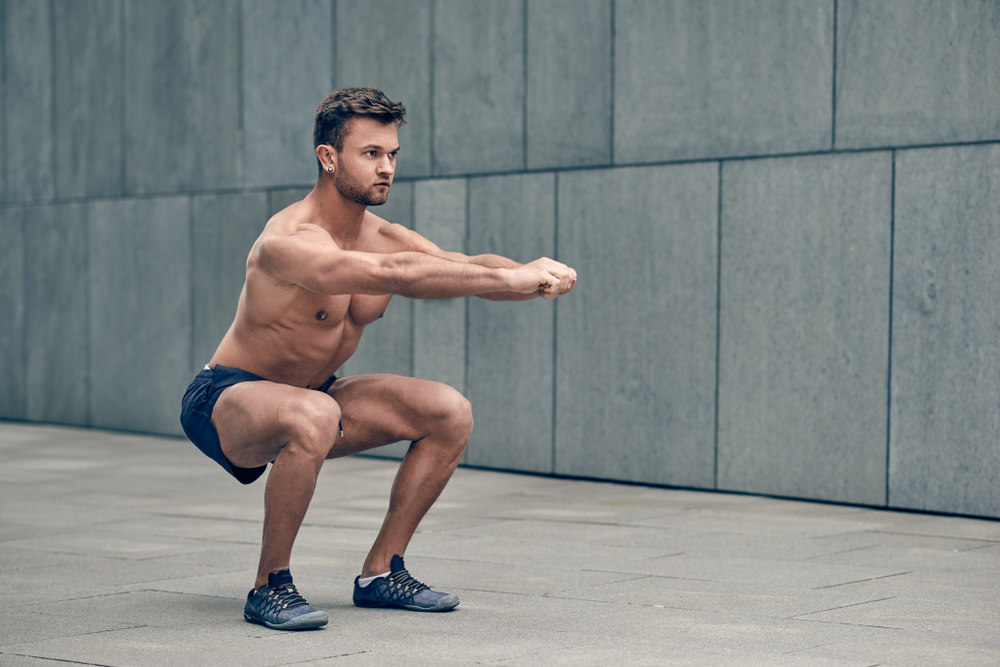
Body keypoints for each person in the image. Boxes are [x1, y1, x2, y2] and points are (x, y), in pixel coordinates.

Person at [180, 86, 576, 631]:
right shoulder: (289, 242)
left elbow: (457, 265)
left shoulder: (383, 235)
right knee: (311, 414)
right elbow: (394, 276)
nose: (386, 167)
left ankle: (381, 573)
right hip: (226, 398)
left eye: (391, 155)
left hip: (315, 393)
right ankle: (269, 585)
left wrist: (533, 277)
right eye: (370, 154)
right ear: (328, 157)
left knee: (447, 410)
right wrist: (510, 276)